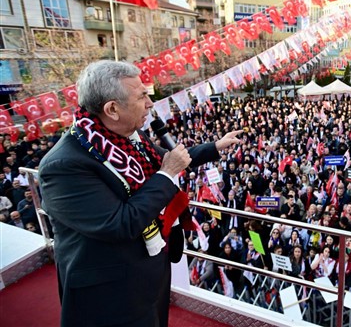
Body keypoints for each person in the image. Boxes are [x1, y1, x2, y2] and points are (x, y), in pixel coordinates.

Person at [39, 61, 241, 327]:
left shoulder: (128, 136)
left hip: (148, 275)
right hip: (109, 294)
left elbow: (168, 160)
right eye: (142, 96)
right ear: (112, 109)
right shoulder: (64, 166)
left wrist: (215, 146)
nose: (150, 102)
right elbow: (120, 223)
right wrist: (167, 175)